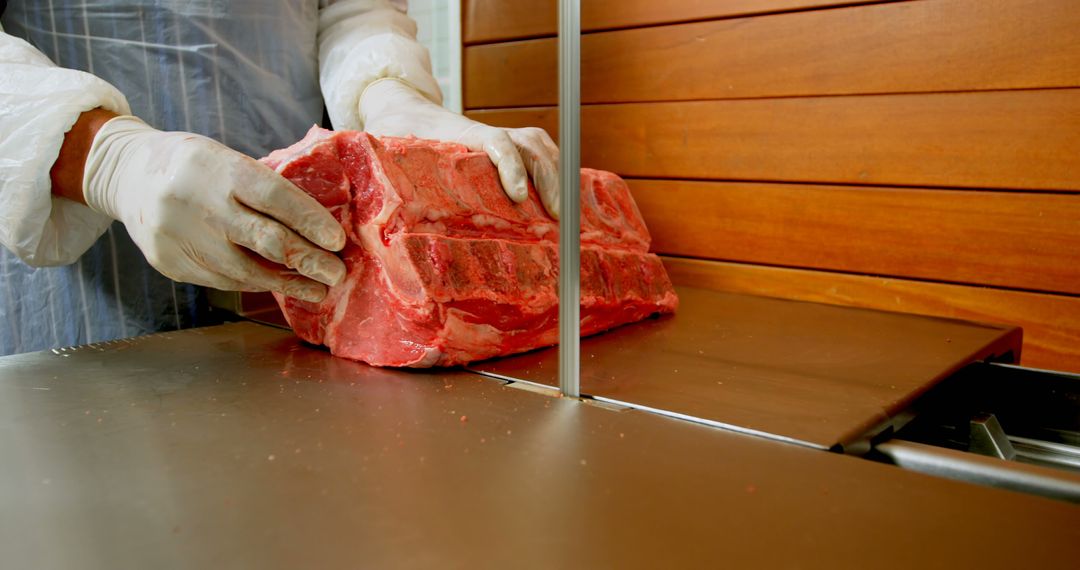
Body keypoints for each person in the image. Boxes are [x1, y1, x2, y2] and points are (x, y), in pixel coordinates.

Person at [0, 0, 560, 355]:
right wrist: (108, 161)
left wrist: (385, 91)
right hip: (85, 269)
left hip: (308, 276)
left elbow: (353, 9)